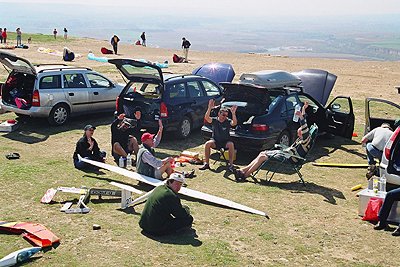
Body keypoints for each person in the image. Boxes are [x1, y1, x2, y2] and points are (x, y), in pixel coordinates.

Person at [235, 102, 311, 181]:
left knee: (262, 157)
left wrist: (301, 116)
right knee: (262, 153)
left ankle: (245, 175)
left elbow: (304, 126)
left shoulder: (305, 140)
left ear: (303, 133)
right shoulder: (302, 139)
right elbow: (304, 124)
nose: (297, 134)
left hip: (290, 158)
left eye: (299, 133)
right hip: (286, 154)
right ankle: (243, 170)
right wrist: (303, 109)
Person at [199, 99, 237, 172]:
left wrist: (233, 114)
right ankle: (206, 163)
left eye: (226, 115)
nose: (224, 116)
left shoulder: (228, 121)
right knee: (207, 144)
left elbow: (234, 123)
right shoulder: (215, 120)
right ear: (219, 114)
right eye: (223, 114)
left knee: (231, 144)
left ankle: (231, 165)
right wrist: (209, 108)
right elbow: (207, 118)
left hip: (225, 142)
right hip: (215, 141)